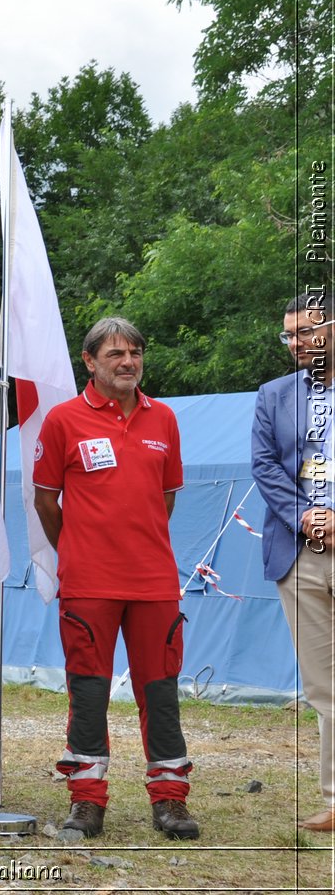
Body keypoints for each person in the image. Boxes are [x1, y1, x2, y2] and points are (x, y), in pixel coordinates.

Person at [33, 316, 198, 840]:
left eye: (135, 353)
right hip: (88, 582)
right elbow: (45, 500)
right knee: (89, 691)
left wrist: (135, 543)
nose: (128, 362)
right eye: (115, 355)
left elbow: (164, 499)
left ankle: (171, 801)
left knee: (161, 691)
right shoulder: (63, 420)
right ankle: (87, 802)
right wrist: (83, 548)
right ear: (90, 361)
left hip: (153, 582)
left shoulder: (165, 419)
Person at [251, 292, 335, 832]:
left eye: (307, 332)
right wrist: (306, 517)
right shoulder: (274, 395)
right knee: (326, 684)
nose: (299, 344)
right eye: (290, 336)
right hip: (300, 553)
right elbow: (264, 465)